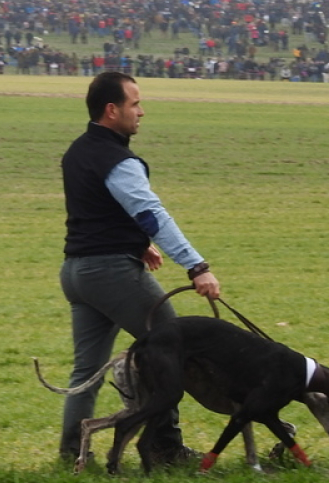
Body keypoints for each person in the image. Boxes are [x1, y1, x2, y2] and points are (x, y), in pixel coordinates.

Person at [58, 70, 221, 465]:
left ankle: (71, 454)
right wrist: (196, 265)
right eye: (135, 104)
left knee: (86, 372)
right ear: (111, 110)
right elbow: (151, 214)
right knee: (170, 348)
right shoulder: (118, 161)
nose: (142, 112)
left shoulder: (77, 151)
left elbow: (96, 210)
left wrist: (136, 243)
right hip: (111, 274)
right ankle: (166, 448)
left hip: (77, 273)